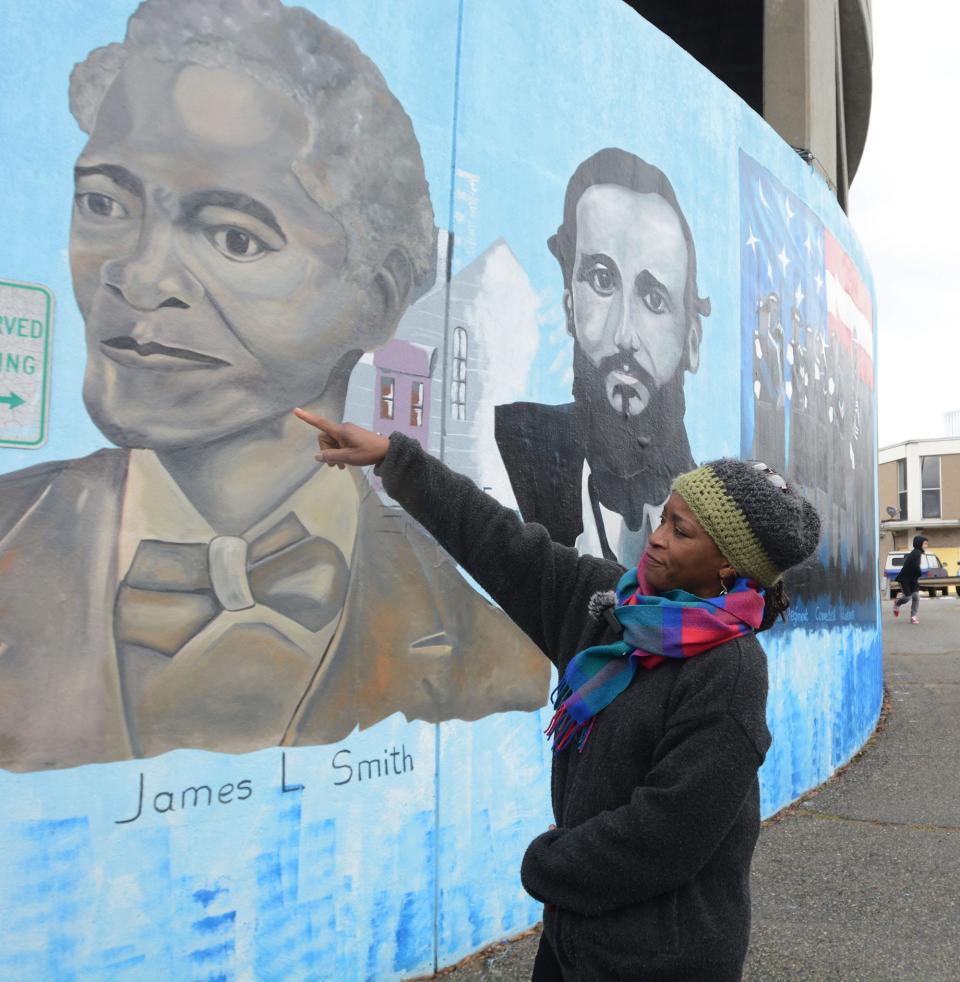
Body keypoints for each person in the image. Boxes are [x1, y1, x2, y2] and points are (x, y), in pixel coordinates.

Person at [0, 0, 548, 774]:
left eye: (234, 236)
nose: (139, 276)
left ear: (380, 295)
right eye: (104, 203)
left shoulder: (487, 657)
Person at [296, 409, 821, 982]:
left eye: (682, 532)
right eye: (666, 517)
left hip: (665, 957)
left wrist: (548, 865)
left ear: (726, 565)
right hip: (576, 938)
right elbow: (501, 543)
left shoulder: (729, 669)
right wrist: (394, 459)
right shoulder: (609, 608)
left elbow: (670, 832)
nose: (658, 538)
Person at [495, 148, 711, 568]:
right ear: (569, 307)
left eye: (654, 298)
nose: (623, 334)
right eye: (601, 280)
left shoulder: (717, 523)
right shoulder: (512, 451)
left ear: (692, 340)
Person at [893, 536, 928, 624]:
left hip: (913, 579)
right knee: (907, 597)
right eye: (925, 543)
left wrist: (916, 575)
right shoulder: (916, 553)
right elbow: (915, 566)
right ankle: (897, 603)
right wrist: (919, 573)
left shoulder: (917, 552)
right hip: (905, 579)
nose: (926, 545)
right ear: (919, 544)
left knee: (916, 596)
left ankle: (913, 616)